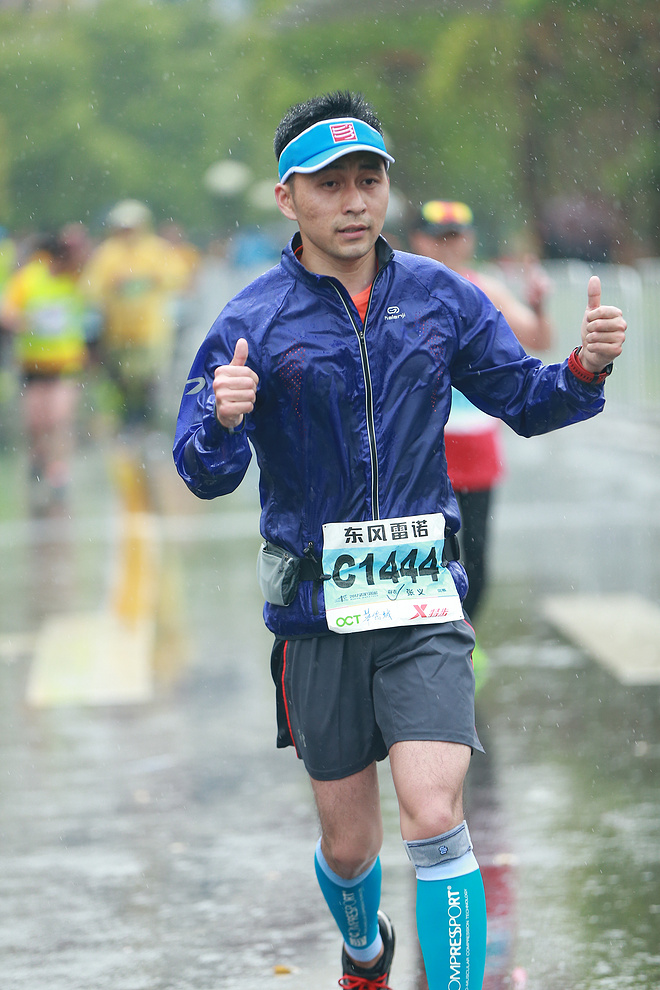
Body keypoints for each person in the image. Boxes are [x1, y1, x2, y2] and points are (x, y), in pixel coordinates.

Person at [173, 91, 626, 990]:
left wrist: (584, 367)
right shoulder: (251, 322)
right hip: (316, 610)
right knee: (350, 847)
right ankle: (364, 949)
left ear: (389, 189)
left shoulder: (439, 298)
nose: (353, 201)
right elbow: (203, 470)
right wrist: (221, 425)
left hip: (425, 599)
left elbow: (524, 401)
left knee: (434, 812)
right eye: (330, 184)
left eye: (368, 181)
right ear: (287, 199)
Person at [408, 201, 553, 625]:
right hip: (419, 447)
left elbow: (539, 338)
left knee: (477, 560)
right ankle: (428, 640)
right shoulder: (400, 291)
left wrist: (538, 304)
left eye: (456, 236)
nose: (448, 246)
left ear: (469, 240)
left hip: (475, 445)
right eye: (438, 237)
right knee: (424, 555)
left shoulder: (483, 289)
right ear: (419, 240)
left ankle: (462, 639)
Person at [82, 199, 188, 429]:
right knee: (122, 379)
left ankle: (147, 421)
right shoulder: (107, 253)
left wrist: (153, 278)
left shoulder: (156, 249)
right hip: (118, 331)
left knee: (150, 377)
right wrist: (112, 284)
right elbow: (90, 286)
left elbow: (178, 275)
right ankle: (127, 419)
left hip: (151, 329)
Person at [0, 232, 88, 509]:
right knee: (36, 423)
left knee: (59, 418)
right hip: (33, 365)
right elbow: (7, 310)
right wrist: (21, 320)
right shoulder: (29, 278)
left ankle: (58, 471)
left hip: (65, 364)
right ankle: (38, 459)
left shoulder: (74, 277)